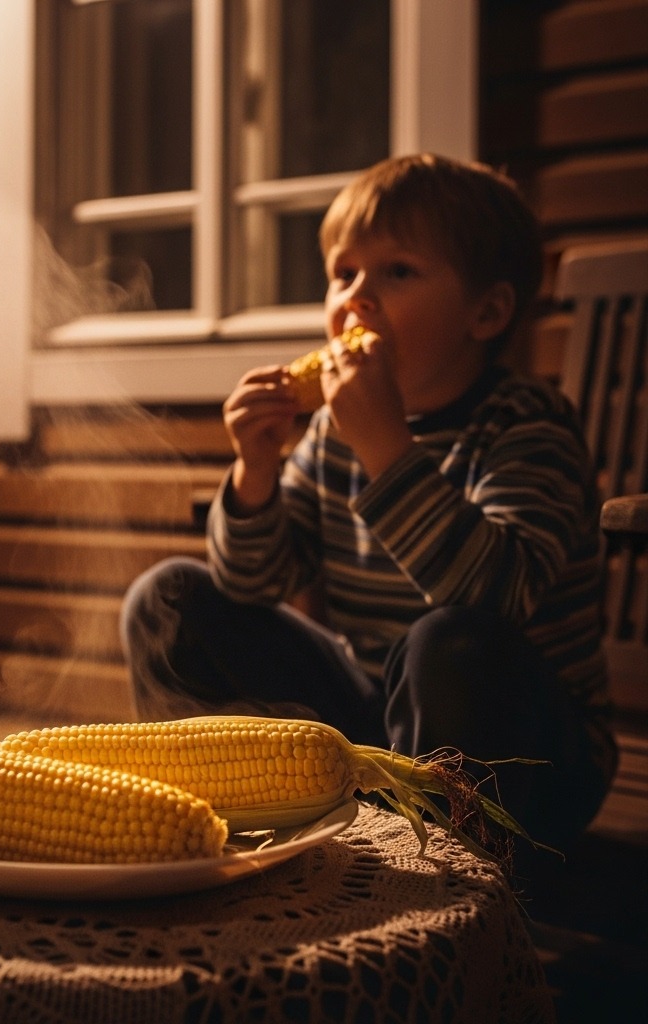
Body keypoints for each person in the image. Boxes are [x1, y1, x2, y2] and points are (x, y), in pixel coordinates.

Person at [120, 153, 616, 857]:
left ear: (486, 312)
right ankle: (218, 813)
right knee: (168, 598)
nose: (356, 297)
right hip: (379, 723)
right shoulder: (332, 430)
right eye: (343, 273)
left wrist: (386, 447)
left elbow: (497, 597)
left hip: (530, 755)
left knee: (449, 643)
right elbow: (254, 584)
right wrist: (255, 472)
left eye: (398, 272)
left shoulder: (526, 426)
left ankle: (437, 864)